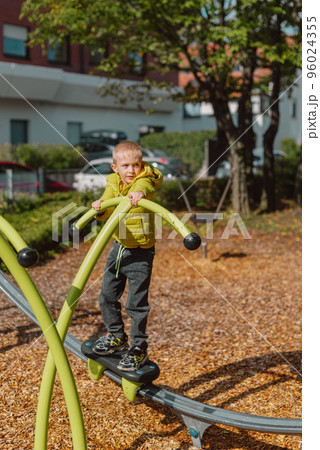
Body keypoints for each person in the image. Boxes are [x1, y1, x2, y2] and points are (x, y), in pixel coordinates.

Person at [91, 141, 163, 371]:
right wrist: (100, 208)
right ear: (115, 168)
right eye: (125, 166)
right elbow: (108, 209)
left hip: (141, 251)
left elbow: (147, 186)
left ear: (141, 165)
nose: (131, 170)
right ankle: (117, 337)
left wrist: (140, 192)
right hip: (119, 247)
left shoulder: (143, 180)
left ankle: (138, 348)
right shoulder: (113, 183)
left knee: (136, 304)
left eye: (136, 165)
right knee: (106, 296)